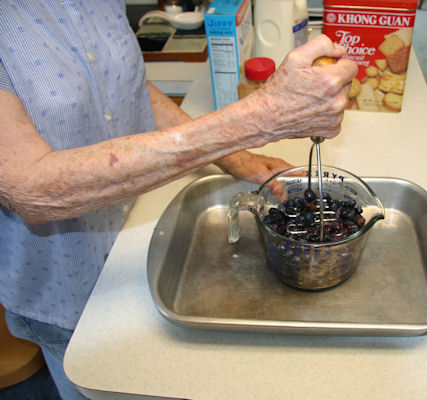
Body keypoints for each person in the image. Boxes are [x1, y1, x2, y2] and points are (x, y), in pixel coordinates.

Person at [0, 2, 357, 399]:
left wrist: (235, 155)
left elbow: (129, 84)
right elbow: (28, 188)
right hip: (67, 282)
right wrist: (258, 118)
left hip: (139, 229)